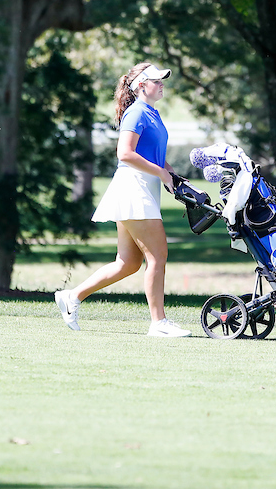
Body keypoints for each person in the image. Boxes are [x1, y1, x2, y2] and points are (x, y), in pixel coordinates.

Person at [54, 62, 191, 337]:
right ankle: (158, 323)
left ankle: (72, 296)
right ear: (142, 85)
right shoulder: (136, 113)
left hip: (142, 188)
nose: (162, 84)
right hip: (133, 188)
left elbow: (151, 154)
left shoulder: (152, 113)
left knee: (127, 263)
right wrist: (162, 174)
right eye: (157, 81)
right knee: (158, 255)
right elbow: (125, 153)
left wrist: (173, 175)